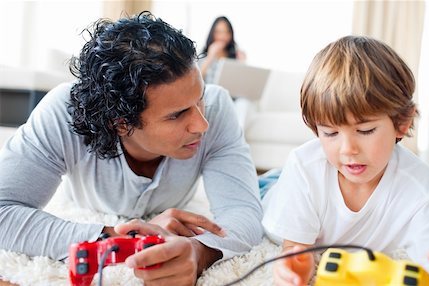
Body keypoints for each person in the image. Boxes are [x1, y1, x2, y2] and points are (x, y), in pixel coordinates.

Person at [0, 12, 263, 285]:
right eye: (177, 114)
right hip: (87, 204)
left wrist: (199, 252)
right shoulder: (61, 113)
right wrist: (120, 238)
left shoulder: (219, 108)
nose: (202, 124)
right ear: (121, 124)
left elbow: (244, 212)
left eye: (200, 99)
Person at [261, 36, 429, 285]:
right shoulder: (305, 168)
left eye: (365, 131)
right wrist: (296, 269)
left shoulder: (421, 188)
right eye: (330, 133)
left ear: (402, 124)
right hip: (272, 189)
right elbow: (295, 250)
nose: (348, 149)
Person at [199, 16, 246, 84]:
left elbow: (241, 82)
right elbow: (196, 82)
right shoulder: (202, 56)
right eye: (219, 32)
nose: (223, 36)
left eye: (227, 32)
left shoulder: (236, 55)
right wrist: (210, 57)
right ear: (212, 33)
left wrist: (242, 64)